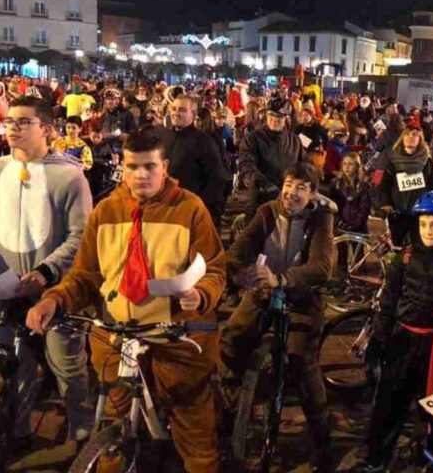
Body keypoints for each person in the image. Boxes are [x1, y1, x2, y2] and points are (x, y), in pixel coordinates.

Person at [26, 130, 226, 473]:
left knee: (195, 435)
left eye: (150, 166)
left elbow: (214, 269)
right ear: (122, 166)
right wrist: (55, 299)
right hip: (115, 340)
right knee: (114, 430)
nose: (140, 174)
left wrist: (201, 293)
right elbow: (85, 275)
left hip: (177, 342)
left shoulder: (190, 208)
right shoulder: (105, 211)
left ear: (164, 166)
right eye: (133, 166)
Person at [0, 96, 93, 443]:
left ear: (47, 130)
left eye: (24, 122)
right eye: (10, 121)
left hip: (54, 291)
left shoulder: (69, 176)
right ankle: (15, 435)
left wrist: (48, 271)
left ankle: (82, 435)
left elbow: (81, 235)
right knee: (12, 363)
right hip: (3, 289)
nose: (13, 128)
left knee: (67, 365)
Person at [221, 163, 335, 472]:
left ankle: (323, 444)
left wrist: (282, 279)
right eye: (288, 184)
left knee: (302, 364)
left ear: (312, 194)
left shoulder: (321, 219)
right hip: (263, 290)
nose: (291, 192)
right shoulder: (267, 212)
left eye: (301, 187)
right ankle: (234, 408)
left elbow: (322, 266)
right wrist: (245, 277)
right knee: (231, 338)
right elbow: (239, 251)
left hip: (303, 297)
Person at [364, 191, 433, 471]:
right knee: (389, 404)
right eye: (423, 224)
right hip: (402, 341)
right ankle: (377, 460)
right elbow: (389, 301)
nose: (428, 231)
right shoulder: (404, 257)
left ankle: (425, 457)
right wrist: (378, 339)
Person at [159, 95, 231, 225]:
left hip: (191, 212)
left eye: (182, 110)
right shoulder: (163, 138)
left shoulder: (204, 142)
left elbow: (216, 179)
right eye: (173, 109)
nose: (176, 113)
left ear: (192, 114)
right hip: (164, 211)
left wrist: (199, 207)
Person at [238, 96, 305, 223]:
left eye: (279, 117)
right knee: (254, 232)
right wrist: (264, 185)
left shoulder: (294, 141)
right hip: (260, 198)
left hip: (287, 199)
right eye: (271, 115)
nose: (274, 120)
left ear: (286, 118)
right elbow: (246, 165)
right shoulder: (253, 138)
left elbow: (303, 167)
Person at [379, 119, 433, 247]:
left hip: (420, 213)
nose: (410, 137)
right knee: (396, 247)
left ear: (420, 139)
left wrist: (431, 208)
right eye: (407, 134)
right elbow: (385, 185)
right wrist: (386, 203)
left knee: (419, 247)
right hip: (397, 213)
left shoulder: (428, 163)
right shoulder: (392, 161)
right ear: (402, 138)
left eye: (414, 135)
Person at [295, 100, 329, 175]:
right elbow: (294, 137)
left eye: (306, 115)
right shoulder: (299, 128)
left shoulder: (317, 127)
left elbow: (325, 137)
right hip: (302, 154)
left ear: (311, 116)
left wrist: (325, 149)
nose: (304, 118)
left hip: (314, 154)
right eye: (303, 116)